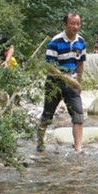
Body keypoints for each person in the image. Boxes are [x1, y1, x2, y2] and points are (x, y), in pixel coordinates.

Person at [36, 12, 87, 153]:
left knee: (78, 115)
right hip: (55, 82)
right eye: (72, 23)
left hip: (72, 82)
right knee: (47, 114)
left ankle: (78, 149)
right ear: (65, 24)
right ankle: (40, 143)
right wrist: (67, 78)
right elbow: (50, 67)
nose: (75, 26)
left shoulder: (81, 41)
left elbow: (81, 63)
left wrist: (79, 80)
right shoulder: (55, 41)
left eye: (78, 23)